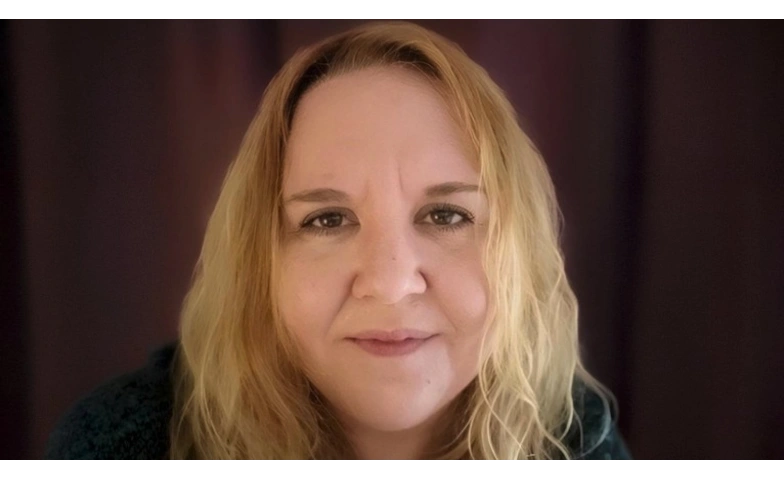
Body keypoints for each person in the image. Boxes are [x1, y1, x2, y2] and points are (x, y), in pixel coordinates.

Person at [45, 21, 632, 462]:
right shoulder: (121, 449)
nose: (390, 282)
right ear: (260, 259)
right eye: (327, 220)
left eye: (446, 215)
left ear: (518, 251)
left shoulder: (577, 443)